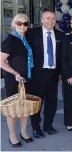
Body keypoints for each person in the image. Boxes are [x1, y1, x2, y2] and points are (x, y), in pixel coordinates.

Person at [27, 10, 64, 138]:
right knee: (37, 102)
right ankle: (36, 127)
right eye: (47, 18)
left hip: (53, 74)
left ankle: (48, 125)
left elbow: (61, 56)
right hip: (37, 74)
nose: (50, 21)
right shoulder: (31, 33)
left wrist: (60, 72)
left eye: (53, 19)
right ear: (42, 19)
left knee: (52, 102)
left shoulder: (60, 35)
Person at [1, 14, 34, 147]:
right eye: (19, 23)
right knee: (13, 109)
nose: (22, 26)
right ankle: (12, 135)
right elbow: (1, 62)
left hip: (26, 78)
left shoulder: (25, 38)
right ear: (14, 24)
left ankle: (24, 132)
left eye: (25, 24)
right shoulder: (10, 40)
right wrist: (14, 72)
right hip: (14, 79)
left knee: (25, 107)